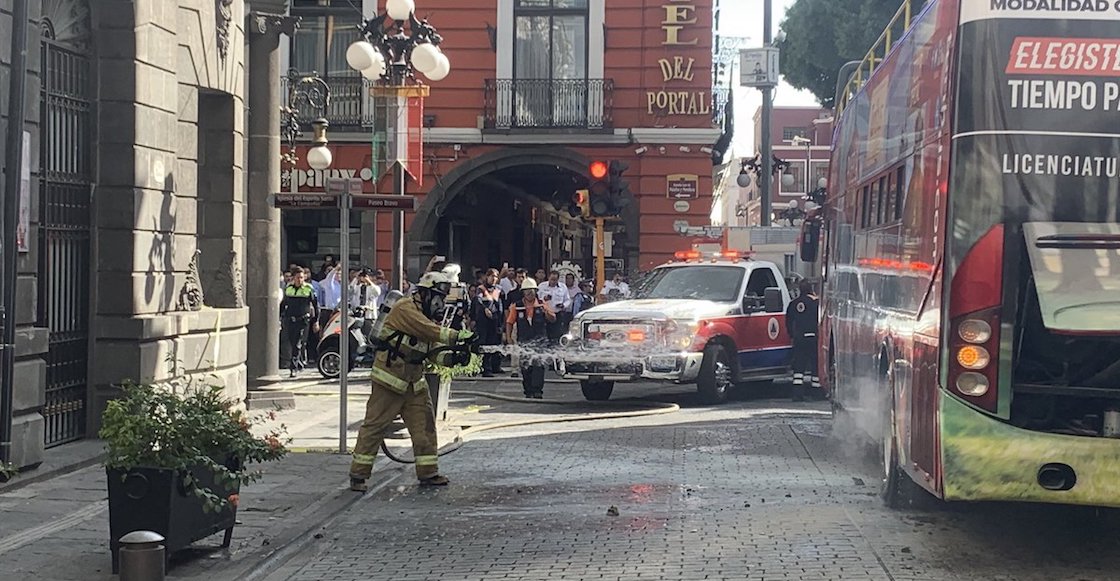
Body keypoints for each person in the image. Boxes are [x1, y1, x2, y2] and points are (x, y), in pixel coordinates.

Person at [349, 271, 475, 492]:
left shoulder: (425, 317)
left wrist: (455, 358)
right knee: (375, 426)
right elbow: (429, 331)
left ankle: (428, 473)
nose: (440, 304)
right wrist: (459, 337)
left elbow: (433, 352)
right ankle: (358, 475)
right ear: (425, 294)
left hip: (414, 383)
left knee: (425, 427)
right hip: (390, 380)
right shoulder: (405, 309)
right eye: (438, 298)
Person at [506, 278, 555, 399]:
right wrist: (508, 337)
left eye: (532, 291)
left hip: (540, 340)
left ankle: (538, 390)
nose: (529, 293)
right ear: (523, 292)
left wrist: (546, 312)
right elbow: (509, 322)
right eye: (527, 291)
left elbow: (553, 319)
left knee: (538, 365)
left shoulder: (542, 303)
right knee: (526, 366)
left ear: (536, 291)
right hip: (524, 340)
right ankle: (528, 390)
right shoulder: (516, 306)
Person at [280, 267, 320, 378]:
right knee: (292, 342)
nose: (300, 280)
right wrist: (280, 319)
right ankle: (299, 363)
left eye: (302, 278)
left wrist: (316, 321)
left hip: (302, 320)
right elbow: (283, 305)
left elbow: (316, 306)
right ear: (293, 278)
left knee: (297, 344)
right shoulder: (289, 289)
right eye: (298, 278)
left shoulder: (308, 289)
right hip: (290, 319)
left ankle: (293, 368)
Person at [785, 279, 820, 402]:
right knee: (815, 365)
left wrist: (792, 335)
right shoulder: (816, 303)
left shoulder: (793, 303)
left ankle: (797, 394)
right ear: (810, 289)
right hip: (814, 337)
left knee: (799, 366)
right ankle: (816, 392)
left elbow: (788, 321)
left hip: (799, 338)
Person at [472, 268, 505, 376]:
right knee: (485, 343)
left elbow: (503, 304)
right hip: (484, 321)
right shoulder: (481, 289)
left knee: (496, 343)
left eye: (496, 276)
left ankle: (496, 366)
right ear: (487, 277)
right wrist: (485, 309)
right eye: (492, 276)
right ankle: (486, 368)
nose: (494, 279)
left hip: (496, 320)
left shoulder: (499, 289)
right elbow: (478, 300)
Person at [538, 270, 571, 345]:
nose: (553, 281)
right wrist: (544, 299)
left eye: (555, 280)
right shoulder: (541, 286)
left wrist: (563, 305)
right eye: (551, 279)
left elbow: (568, 300)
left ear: (558, 279)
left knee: (557, 334)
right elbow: (537, 299)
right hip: (544, 314)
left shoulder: (563, 287)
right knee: (545, 334)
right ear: (548, 278)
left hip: (558, 314)